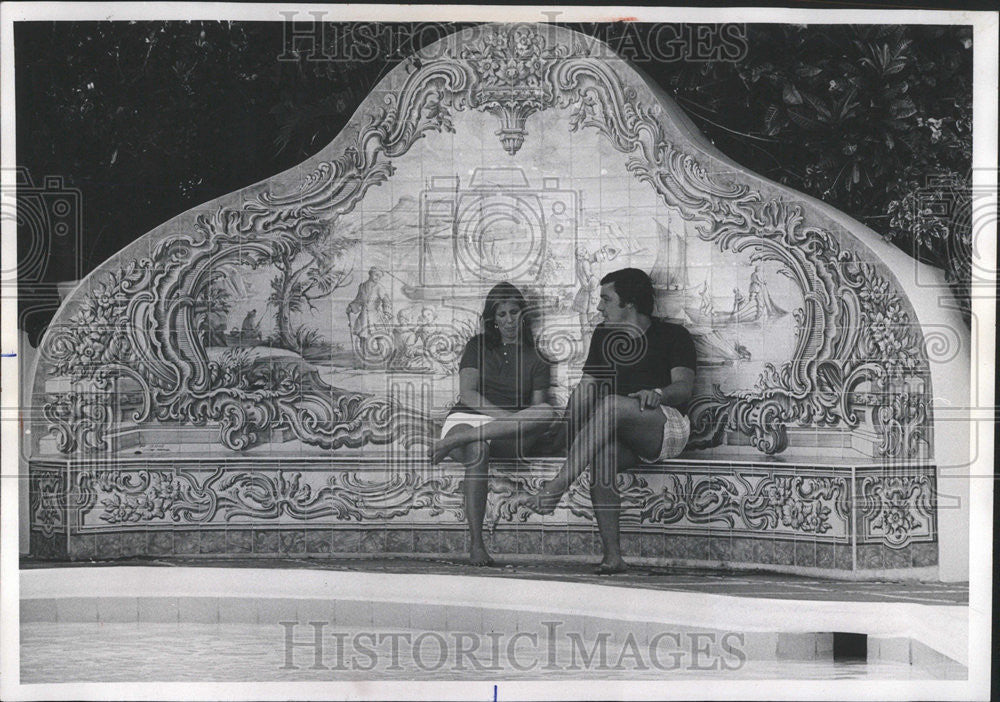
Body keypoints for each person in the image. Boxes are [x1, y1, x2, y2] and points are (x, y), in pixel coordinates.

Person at [526, 268, 696, 574]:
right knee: (602, 460)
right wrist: (564, 436)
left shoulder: (673, 335)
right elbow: (586, 388)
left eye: (606, 299)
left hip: (667, 426)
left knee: (612, 404)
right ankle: (613, 556)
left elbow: (684, 387)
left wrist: (658, 393)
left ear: (629, 303)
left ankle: (558, 486)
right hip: (620, 427)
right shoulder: (604, 336)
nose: (599, 307)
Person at [430, 282, 557, 566]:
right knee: (477, 450)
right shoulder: (477, 345)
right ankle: (477, 546)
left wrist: (515, 424)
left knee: (547, 411)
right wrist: (508, 419)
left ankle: (453, 443)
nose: (509, 320)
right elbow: (469, 394)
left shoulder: (537, 359)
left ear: (524, 314)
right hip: (469, 418)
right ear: (493, 318)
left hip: (508, 431)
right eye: (502, 314)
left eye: (514, 312)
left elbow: (536, 410)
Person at [346, 267, 393, 366]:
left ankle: (384, 362)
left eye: (380, 276)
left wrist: (387, 313)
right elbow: (358, 300)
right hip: (363, 316)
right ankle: (364, 362)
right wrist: (351, 307)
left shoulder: (380, 287)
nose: (377, 277)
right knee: (363, 339)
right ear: (370, 274)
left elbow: (386, 301)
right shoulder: (362, 286)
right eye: (376, 275)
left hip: (375, 315)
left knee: (379, 337)